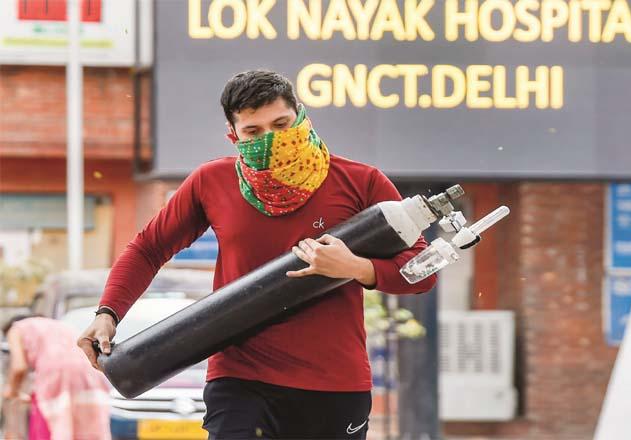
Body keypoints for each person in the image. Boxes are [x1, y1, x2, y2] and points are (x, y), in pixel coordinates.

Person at [77, 70, 437, 439]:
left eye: (281, 124)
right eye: (254, 132)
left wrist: (358, 268)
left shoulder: (362, 181)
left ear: (301, 114)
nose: (272, 140)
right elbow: (148, 248)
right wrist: (108, 313)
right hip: (240, 380)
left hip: (334, 384)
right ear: (234, 136)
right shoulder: (210, 182)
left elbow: (424, 271)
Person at [3, 315, 111, 440]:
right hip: (90, 371)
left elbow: (19, 367)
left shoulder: (15, 329)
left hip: (56, 375)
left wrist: (12, 390)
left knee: (57, 425)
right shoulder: (59, 325)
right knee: (85, 427)